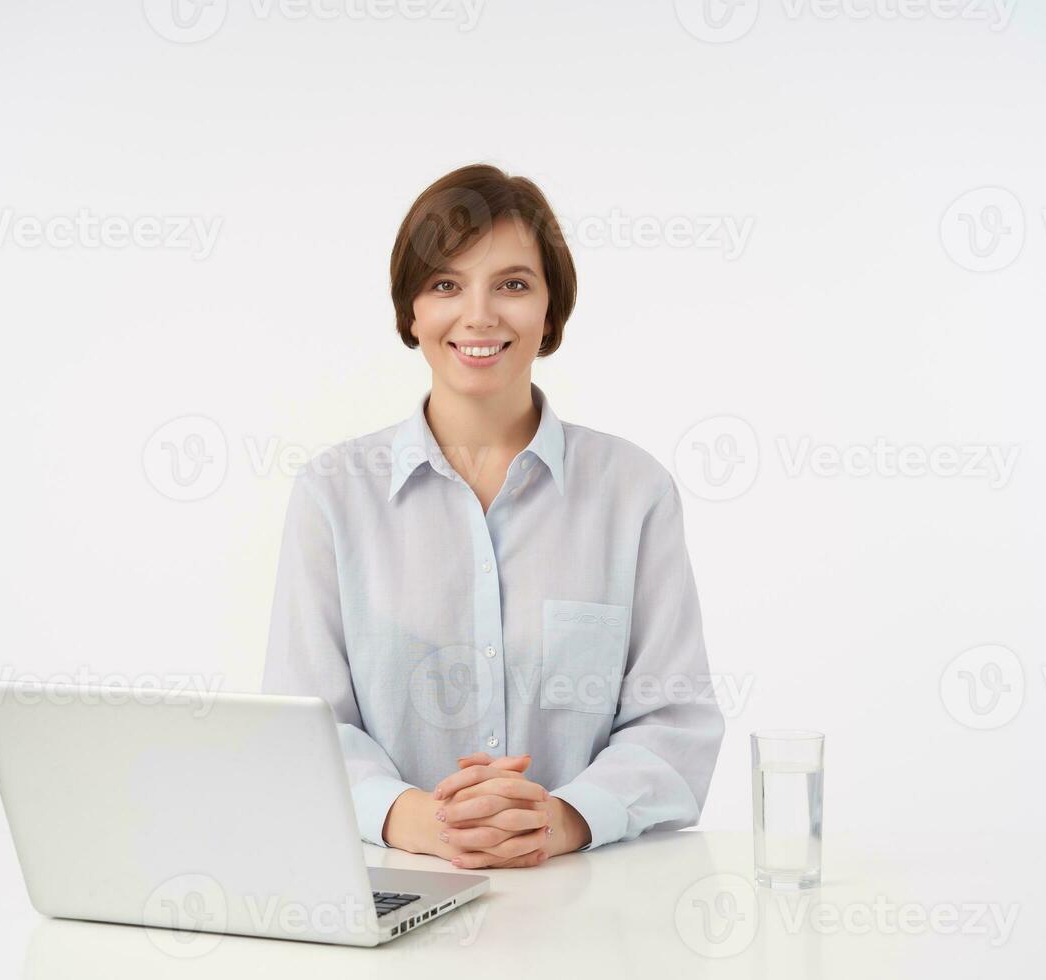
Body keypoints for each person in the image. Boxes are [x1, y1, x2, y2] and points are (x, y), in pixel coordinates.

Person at [263, 163, 724, 870]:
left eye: (512, 284)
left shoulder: (634, 493)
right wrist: (421, 819)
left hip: (588, 902)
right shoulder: (333, 494)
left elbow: (675, 723)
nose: (479, 315)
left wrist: (564, 818)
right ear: (411, 313)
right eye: (445, 284)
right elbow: (304, 727)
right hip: (389, 893)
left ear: (549, 312)